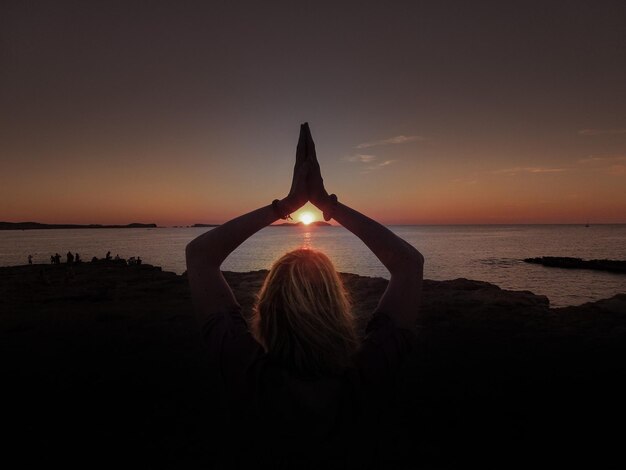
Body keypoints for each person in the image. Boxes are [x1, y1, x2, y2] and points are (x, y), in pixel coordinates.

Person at [186, 123, 424, 468]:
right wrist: (328, 204)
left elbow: (200, 256)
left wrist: (285, 205)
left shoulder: (246, 372)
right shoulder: (367, 376)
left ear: (267, 310)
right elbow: (409, 265)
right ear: (336, 309)